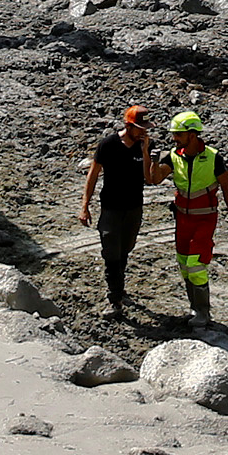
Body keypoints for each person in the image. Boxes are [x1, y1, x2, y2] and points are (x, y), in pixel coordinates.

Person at [157, 109, 228, 324]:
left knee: (196, 264)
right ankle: (195, 309)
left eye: (178, 134)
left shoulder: (213, 157)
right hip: (182, 219)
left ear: (192, 135)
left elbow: (227, 187)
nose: (174, 138)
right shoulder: (173, 155)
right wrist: (149, 156)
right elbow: (154, 179)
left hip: (205, 219)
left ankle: (203, 312)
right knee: (184, 264)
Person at [77, 103, 154, 316]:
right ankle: (114, 298)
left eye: (145, 127)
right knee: (111, 251)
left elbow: (149, 178)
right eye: (140, 127)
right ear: (128, 126)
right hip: (110, 208)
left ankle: (118, 287)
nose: (143, 131)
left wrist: (145, 151)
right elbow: (92, 176)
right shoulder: (108, 145)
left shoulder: (144, 145)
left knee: (125, 249)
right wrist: (85, 206)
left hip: (134, 208)